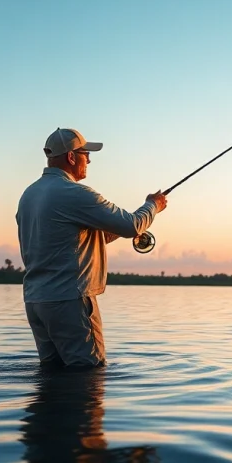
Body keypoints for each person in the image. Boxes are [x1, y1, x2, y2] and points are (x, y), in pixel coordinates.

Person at [16, 127, 167, 368]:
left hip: (36, 303)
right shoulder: (75, 193)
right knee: (88, 375)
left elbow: (73, 239)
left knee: (53, 377)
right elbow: (132, 225)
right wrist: (153, 205)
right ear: (71, 157)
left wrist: (111, 227)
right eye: (85, 153)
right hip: (69, 301)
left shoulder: (29, 195)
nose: (89, 159)